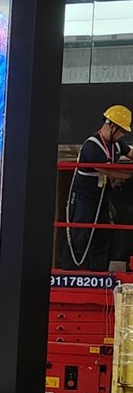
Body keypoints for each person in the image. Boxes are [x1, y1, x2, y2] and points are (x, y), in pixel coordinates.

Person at [61, 105, 133, 272]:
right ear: (113, 127)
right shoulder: (92, 146)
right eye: (122, 131)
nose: (123, 135)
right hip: (84, 199)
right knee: (79, 237)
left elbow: (130, 153)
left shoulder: (116, 144)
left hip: (101, 198)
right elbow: (108, 170)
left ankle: (98, 274)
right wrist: (130, 175)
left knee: (102, 236)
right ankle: (67, 275)